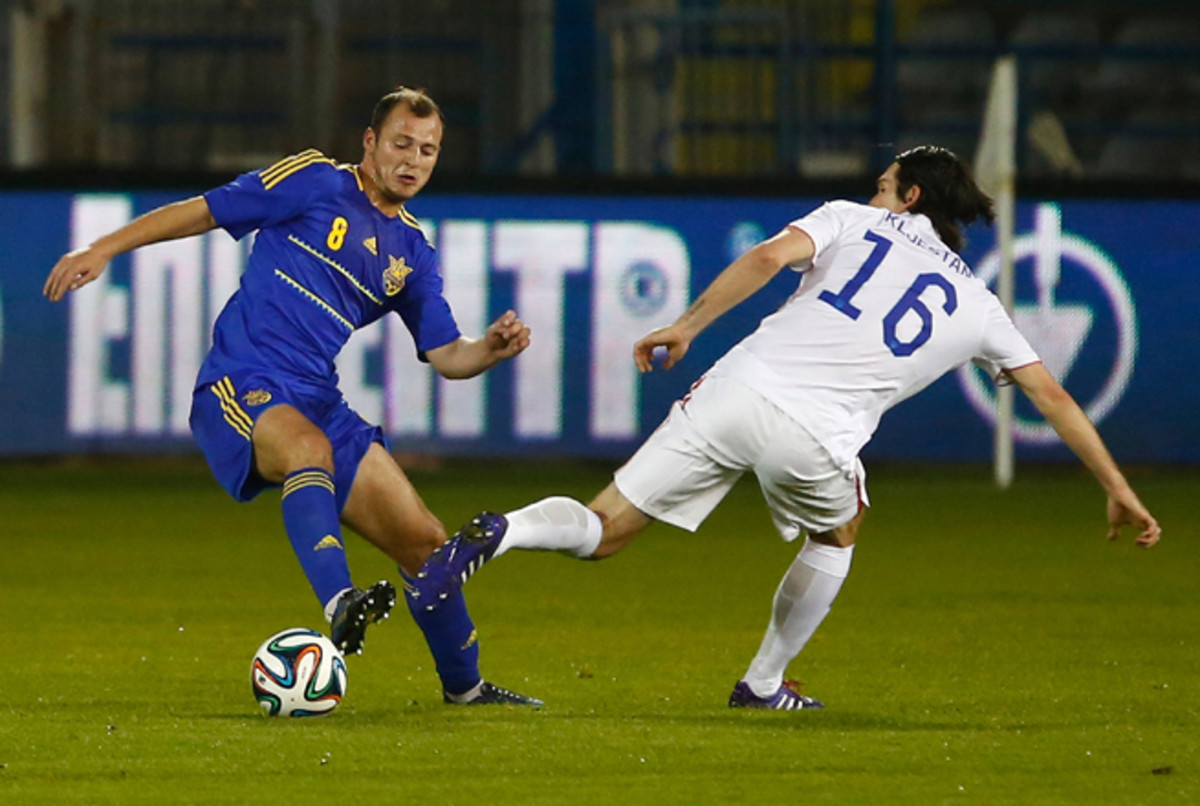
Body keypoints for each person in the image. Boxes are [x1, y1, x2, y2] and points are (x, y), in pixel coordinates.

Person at [407, 145, 1162, 710]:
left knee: (605, 527)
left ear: (910, 197)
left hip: (736, 385)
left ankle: (496, 533)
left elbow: (767, 258)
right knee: (842, 528)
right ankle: (763, 684)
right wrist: (1118, 487)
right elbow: (1054, 397)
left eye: (883, 184)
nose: (874, 192)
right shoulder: (981, 307)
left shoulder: (851, 219)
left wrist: (686, 325)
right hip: (814, 434)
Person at [44, 85, 541, 706]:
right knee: (308, 450)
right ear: (369, 143)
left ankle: (466, 691)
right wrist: (103, 248)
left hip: (316, 397)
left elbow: (447, 355)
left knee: (425, 542)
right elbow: (206, 209)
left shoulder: (413, 252)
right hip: (241, 382)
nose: (413, 160)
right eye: (401, 144)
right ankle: (341, 602)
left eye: (428, 150)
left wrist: (489, 349)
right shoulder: (312, 179)